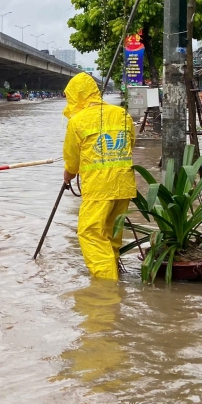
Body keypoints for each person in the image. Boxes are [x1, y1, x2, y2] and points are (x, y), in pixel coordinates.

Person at [62, 72, 136, 280]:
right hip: (124, 184)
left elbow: (72, 161)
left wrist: (68, 175)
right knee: (111, 234)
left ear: (76, 95)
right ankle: (115, 275)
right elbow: (130, 144)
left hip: (98, 188)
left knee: (90, 233)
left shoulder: (77, 121)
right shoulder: (122, 114)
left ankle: (106, 287)